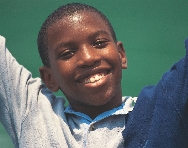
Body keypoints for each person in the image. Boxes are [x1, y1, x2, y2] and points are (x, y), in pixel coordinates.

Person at [0, 3, 187, 148]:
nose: (88, 58)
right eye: (67, 54)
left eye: (99, 43)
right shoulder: (33, 114)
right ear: (50, 78)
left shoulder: (164, 107)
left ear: (121, 55)